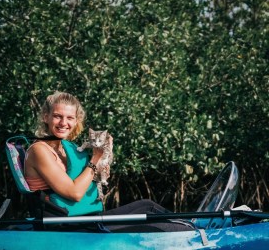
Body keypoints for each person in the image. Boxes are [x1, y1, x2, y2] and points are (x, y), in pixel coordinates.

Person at [24, 91, 194, 232]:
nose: (64, 123)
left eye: (70, 118)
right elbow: (74, 193)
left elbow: (91, 176)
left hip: (83, 218)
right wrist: (95, 158)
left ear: (76, 121)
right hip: (65, 225)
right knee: (160, 225)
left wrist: (103, 163)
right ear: (46, 117)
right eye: (57, 116)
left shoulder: (65, 147)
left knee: (147, 205)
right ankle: (193, 235)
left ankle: (195, 227)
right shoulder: (40, 150)